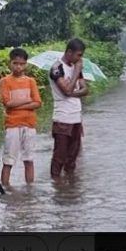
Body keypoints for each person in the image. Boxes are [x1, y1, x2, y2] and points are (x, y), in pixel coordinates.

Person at [0, 47, 42, 186]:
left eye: (22, 64)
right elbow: (7, 103)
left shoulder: (31, 81)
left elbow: (38, 103)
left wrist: (17, 105)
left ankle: (30, 189)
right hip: (12, 124)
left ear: (26, 64)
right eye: (15, 63)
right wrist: (27, 100)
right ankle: (5, 188)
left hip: (29, 124)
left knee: (29, 159)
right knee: (8, 160)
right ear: (10, 63)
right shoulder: (5, 81)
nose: (18, 67)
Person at [49, 38, 89, 178]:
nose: (80, 59)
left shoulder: (75, 68)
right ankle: (56, 186)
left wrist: (70, 92)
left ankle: (70, 189)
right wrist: (76, 72)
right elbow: (67, 90)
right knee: (59, 156)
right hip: (62, 118)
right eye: (79, 55)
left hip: (76, 118)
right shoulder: (56, 68)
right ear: (69, 52)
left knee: (73, 157)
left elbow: (85, 90)